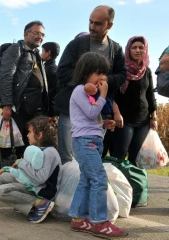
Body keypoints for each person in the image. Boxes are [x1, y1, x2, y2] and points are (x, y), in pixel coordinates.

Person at [55, 5, 126, 164]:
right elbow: (62, 72)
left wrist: (107, 80)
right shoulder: (76, 45)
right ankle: (68, 188)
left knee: (90, 157)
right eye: (90, 22)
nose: (92, 27)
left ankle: (84, 188)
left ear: (110, 25)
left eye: (98, 23)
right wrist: (85, 83)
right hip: (70, 110)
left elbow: (122, 75)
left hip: (97, 113)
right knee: (67, 156)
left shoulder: (116, 49)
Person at [68, 52, 127, 238]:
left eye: (104, 73)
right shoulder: (79, 91)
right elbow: (92, 113)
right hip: (85, 143)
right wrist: (103, 94)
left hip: (91, 141)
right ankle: (99, 222)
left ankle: (78, 219)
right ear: (86, 73)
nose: (103, 77)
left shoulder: (89, 94)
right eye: (98, 72)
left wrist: (103, 124)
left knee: (87, 179)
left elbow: (91, 119)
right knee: (99, 179)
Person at [0, 21, 49, 158]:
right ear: (26, 34)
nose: (40, 37)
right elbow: (6, 77)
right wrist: (7, 104)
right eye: (36, 33)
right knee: (17, 144)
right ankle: (6, 173)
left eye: (42, 35)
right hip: (19, 106)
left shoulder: (36, 55)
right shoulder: (16, 49)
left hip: (35, 106)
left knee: (31, 144)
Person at [0, 116, 61, 224]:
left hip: (42, 190)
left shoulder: (49, 152)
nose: (27, 135)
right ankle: (24, 204)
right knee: (3, 177)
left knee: (1, 191)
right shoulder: (39, 149)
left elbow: (40, 178)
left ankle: (40, 204)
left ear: (39, 135)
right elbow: (29, 171)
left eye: (30, 132)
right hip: (33, 184)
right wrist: (8, 169)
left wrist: (21, 163)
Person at [112, 36, 157, 166]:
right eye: (134, 47)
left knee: (136, 155)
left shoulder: (146, 71)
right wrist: (116, 113)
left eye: (141, 48)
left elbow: (150, 95)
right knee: (120, 152)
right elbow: (113, 94)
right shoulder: (121, 70)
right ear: (128, 50)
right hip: (124, 119)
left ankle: (132, 184)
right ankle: (114, 183)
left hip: (143, 120)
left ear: (145, 50)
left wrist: (154, 117)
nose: (138, 50)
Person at [41, 42, 60, 117]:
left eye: (42, 51)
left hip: (49, 109)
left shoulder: (50, 69)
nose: (41, 53)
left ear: (48, 52)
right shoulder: (51, 67)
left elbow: (50, 91)